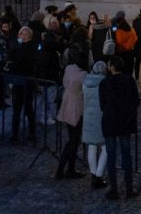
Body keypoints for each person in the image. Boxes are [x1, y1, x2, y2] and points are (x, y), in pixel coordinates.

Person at [99, 56, 140, 200]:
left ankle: (114, 189)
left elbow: (102, 104)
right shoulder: (129, 81)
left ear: (112, 67)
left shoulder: (105, 83)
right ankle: (129, 188)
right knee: (126, 155)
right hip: (125, 121)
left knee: (111, 156)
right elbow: (136, 101)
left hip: (110, 121)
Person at [55, 46, 87, 180]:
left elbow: (64, 82)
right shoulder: (83, 74)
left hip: (67, 102)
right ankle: (64, 169)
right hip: (76, 105)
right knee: (73, 140)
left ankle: (68, 168)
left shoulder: (68, 69)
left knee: (72, 139)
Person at [9, 26, 39, 143]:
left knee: (28, 108)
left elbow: (19, 61)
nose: (21, 35)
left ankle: (32, 133)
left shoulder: (30, 48)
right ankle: (14, 135)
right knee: (16, 109)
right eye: (20, 33)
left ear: (29, 36)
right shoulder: (18, 46)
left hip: (27, 81)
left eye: (23, 34)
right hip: (18, 81)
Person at [81, 61, 109, 190]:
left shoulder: (85, 83)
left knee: (91, 147)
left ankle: (93, 174)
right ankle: (98, 175)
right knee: (106, 148)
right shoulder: (105, 84)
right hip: (101, 118)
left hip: (88, 118)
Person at [112, 11, 137, 77]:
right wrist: (127, 47)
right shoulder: (131, 30)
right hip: (129, 53)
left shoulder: (117, 30)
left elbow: (118, 40)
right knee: (128, 71)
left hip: (120, 54)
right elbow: (135, 38)